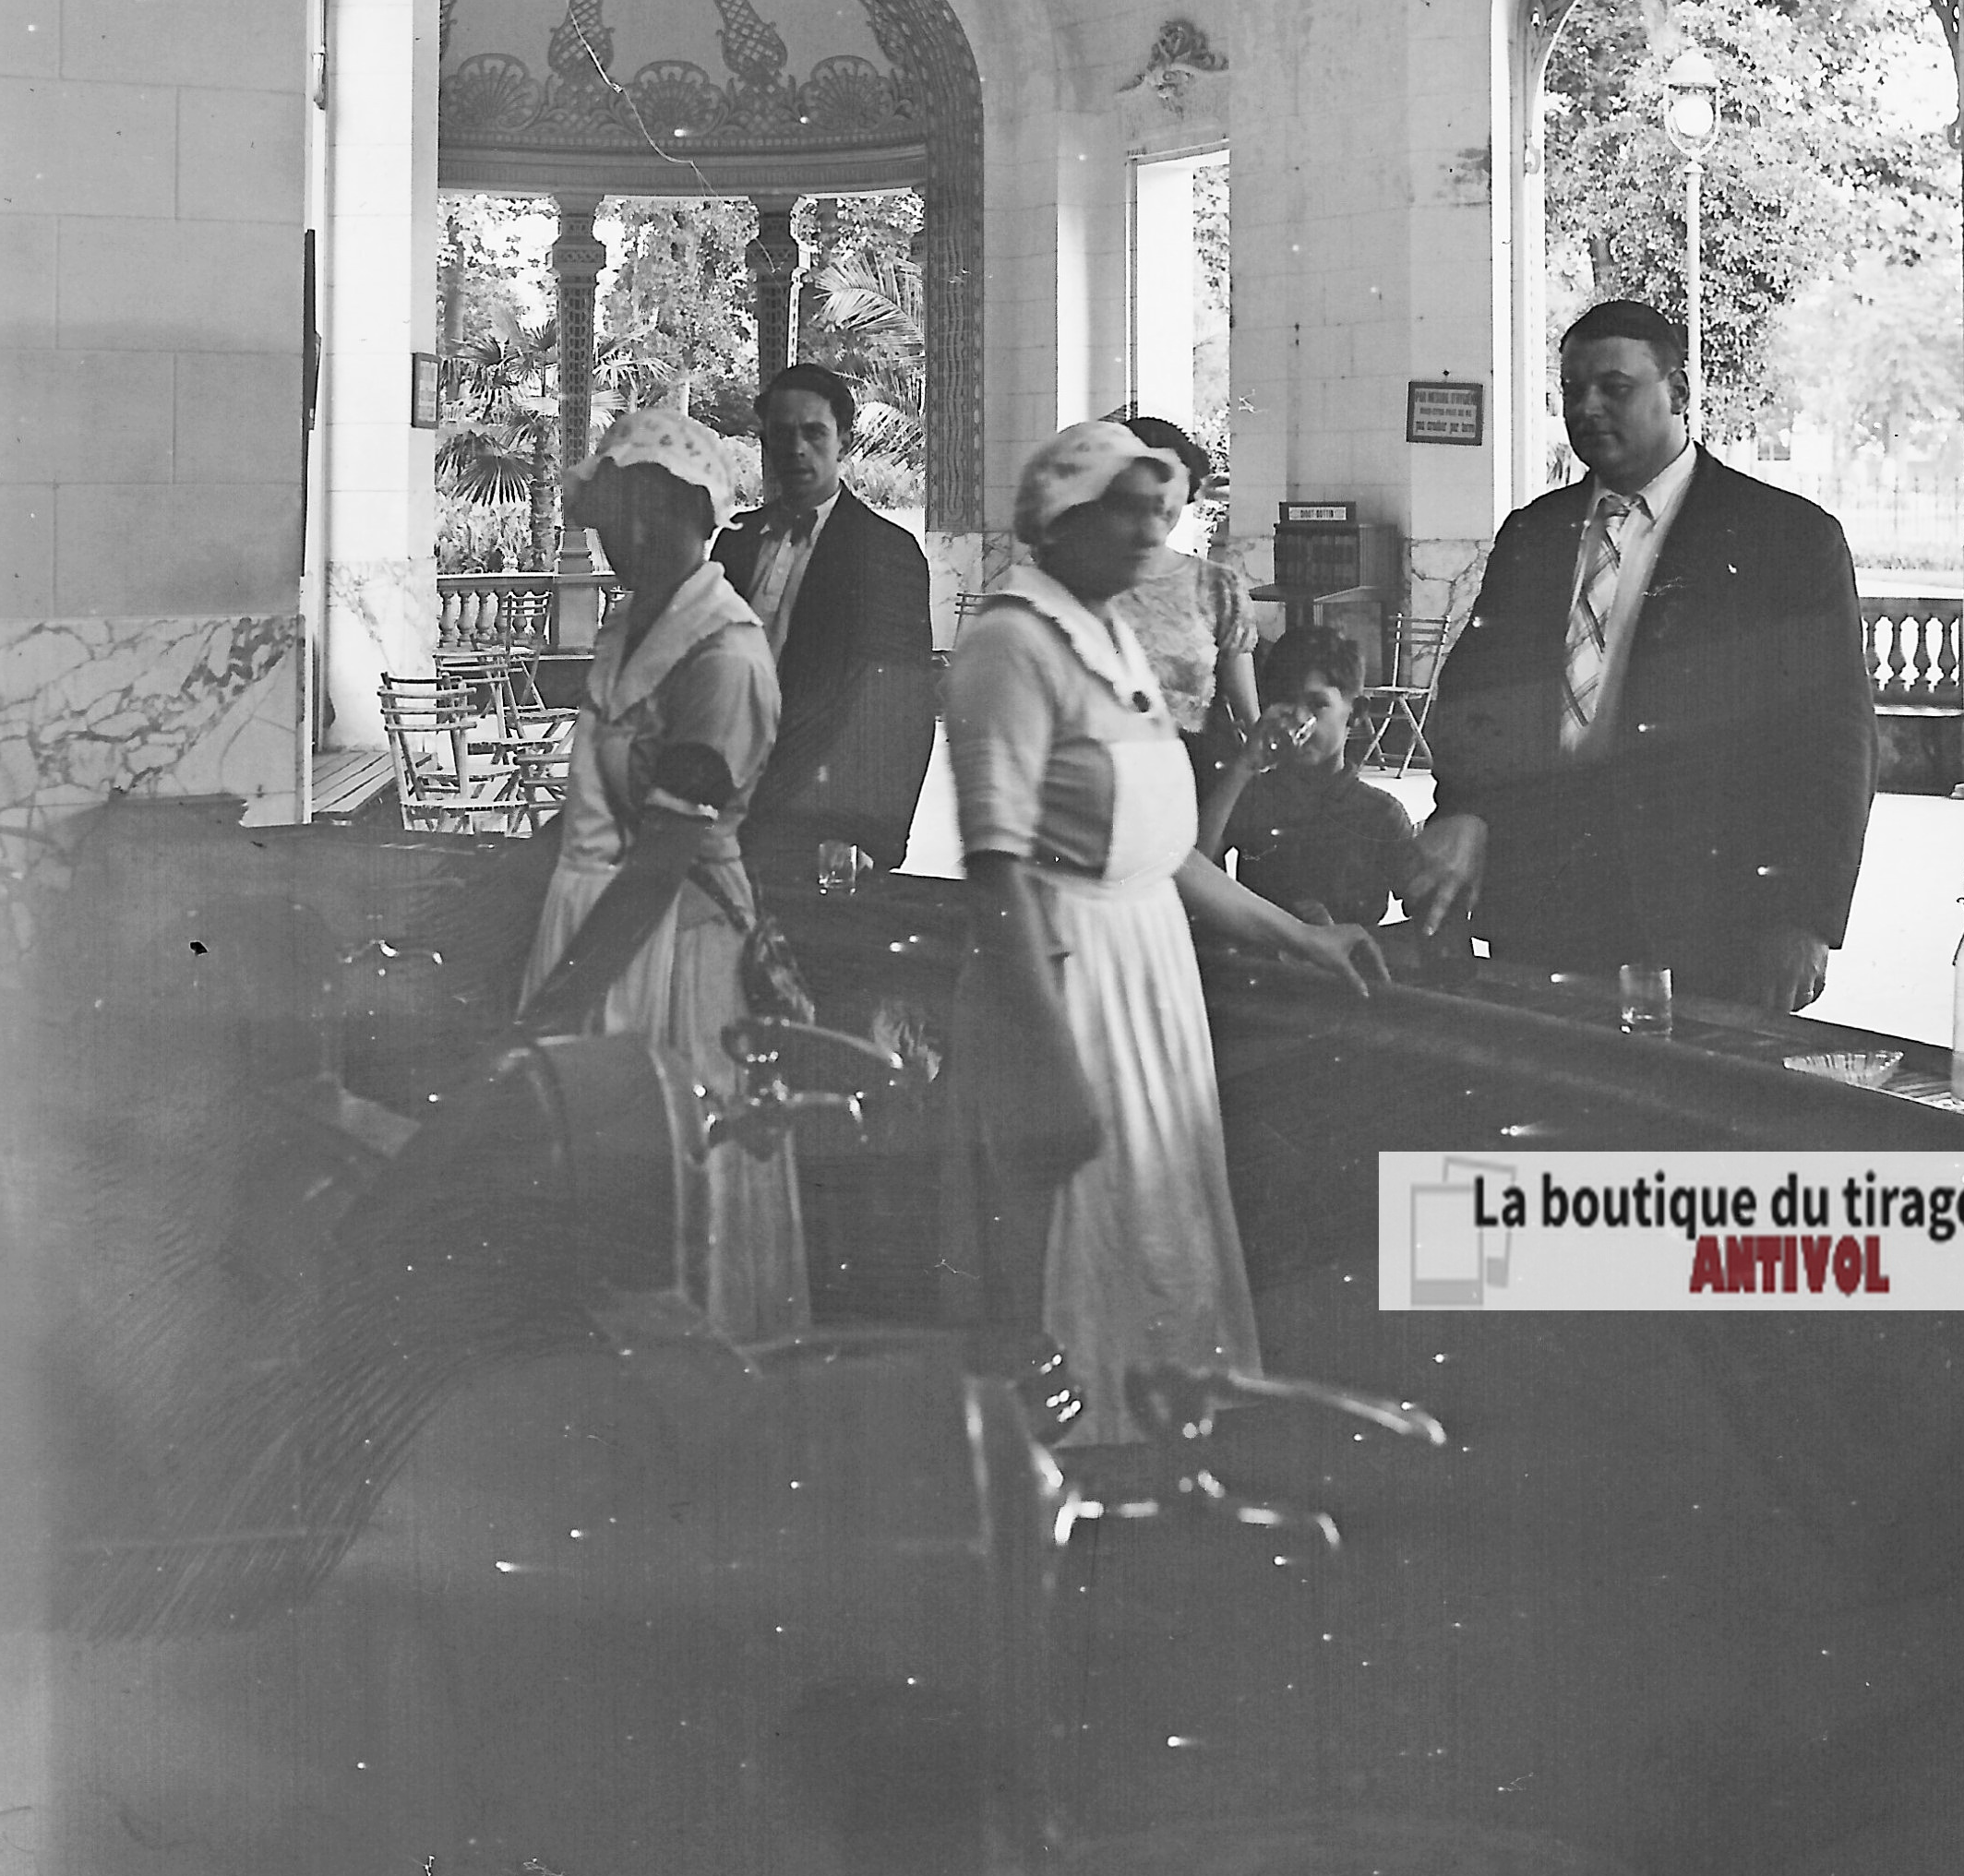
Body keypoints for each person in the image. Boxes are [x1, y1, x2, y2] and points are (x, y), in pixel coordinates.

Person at [939, 418, 1388, 1439]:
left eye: (1159, 510)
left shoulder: (1107, 635)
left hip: (1146, 981)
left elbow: (1163, 856)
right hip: (1070, 991)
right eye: (1126, 511)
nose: (1152, 531)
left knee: (1156, 1241)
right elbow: (998, 873)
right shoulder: (1012, 645)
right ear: (1061, 520)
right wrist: (1043, 1060)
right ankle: (1075, 1474)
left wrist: (1301, 937)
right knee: (1079, 1253)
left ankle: (1161, 1457)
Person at [1403, 299, 1876, 1009]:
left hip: (1711, 909)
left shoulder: (1784, 539)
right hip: (1544, 896)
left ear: (1678, 392)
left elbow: (1833, 738)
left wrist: (1804, 914)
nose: (1587, 409)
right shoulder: (1533, 533)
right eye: (1572, 391)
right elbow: (1477, 693)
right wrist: (1465, 808)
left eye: (1614, 388)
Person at [516, 400, 808, 1344]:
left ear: (678, 515)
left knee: (676, 1181)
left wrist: (555, 1005)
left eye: (627, 514)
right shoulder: (629, 628)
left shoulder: (723, 657)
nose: (613, 537)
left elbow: (660, 860)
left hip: (673, 948)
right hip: (596, 926)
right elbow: (598, 807)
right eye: (606, 514)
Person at [712, 359, 939, 885]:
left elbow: (900, 703)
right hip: (725, 795)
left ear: (844, 442)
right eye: (782, 434)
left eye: (814, 433)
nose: (796, 448)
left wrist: (864, 830)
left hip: (816, 810)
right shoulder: (735, 540)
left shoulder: (885, 551)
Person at [1197, 624, 1420, 933]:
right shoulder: (1256, 797)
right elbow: (1195, 867)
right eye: (1286, 702)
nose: (1300, 717)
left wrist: (1349, 937)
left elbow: (1427, 913)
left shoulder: (1380, 814)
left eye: (1317, 704)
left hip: (1351, 961)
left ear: (1356, 713)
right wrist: (1243, 767)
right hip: (1263, 956)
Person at [1112, 412, 1262, 805]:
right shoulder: (1080, 583)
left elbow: (1248, 715)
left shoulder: (1217, 587)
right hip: (1099, 780)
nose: (1156, 503)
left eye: (1168, 487)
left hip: (1194, 777)